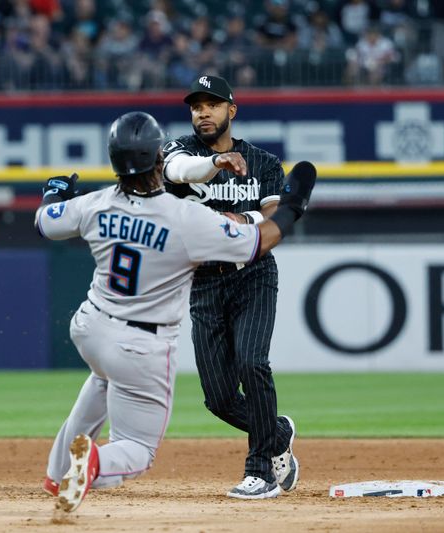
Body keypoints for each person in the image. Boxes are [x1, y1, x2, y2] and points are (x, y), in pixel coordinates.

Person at [36, 111, 315, 511]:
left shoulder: (94, 204)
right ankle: (93, 461)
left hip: (90, 326)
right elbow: (260, 240)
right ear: (159, 161)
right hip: (140, 344)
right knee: (136, 447)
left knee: (101, 379)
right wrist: (293, 205)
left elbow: (45, 222)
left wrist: (55, 191)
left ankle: (55, 473)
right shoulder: (185, 218)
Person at [162, 74, 299, 499]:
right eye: (196, 106)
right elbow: (175, 170)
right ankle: (277, 431)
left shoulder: (262, 162)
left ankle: (259, 470)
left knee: (252, 364)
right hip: (204, 282)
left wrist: (243, 223)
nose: (202, 112)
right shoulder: (179, 151)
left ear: (231, 111)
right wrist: (215, 166)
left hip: (253, 274)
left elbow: (276, 220)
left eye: (212, 104)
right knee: (218, 399)